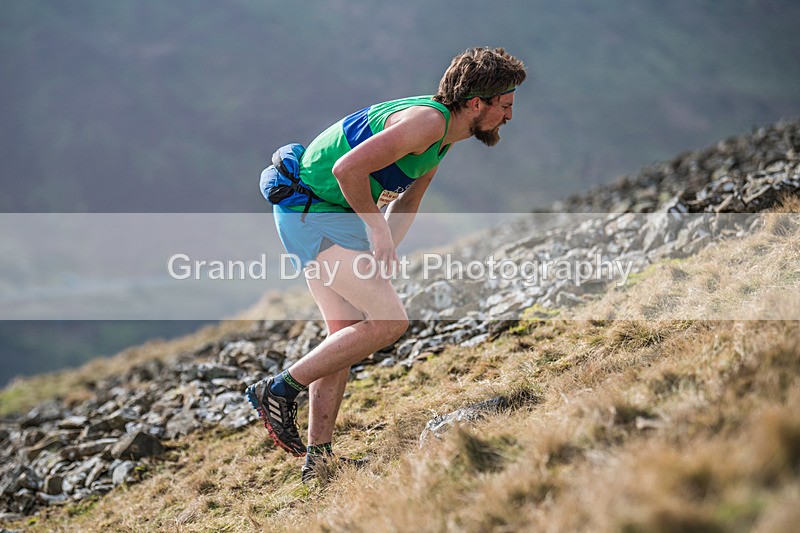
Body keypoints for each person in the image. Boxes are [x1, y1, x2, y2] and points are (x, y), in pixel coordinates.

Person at [246, 47, 526, 482]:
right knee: (390, 321)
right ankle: (279, 389)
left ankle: (319, 460)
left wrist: (384, 249)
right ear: (477, 103)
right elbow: (346, 170)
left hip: (331, 217)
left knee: (343, 337)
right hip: (312, 213)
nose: (508, 116)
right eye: (505, 106)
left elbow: (410, 199)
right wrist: (377, 233)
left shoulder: (444, 137)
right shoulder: (427, 123)